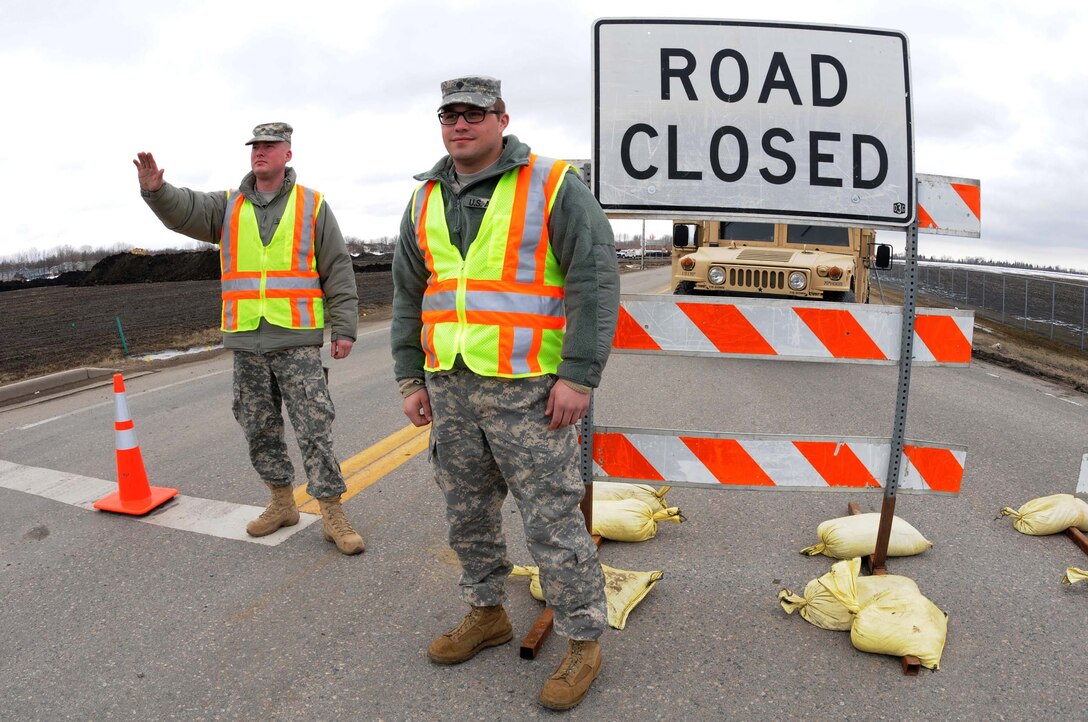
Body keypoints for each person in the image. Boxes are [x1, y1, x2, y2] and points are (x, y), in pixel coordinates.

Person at [391, 76, 620, 710]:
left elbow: (594, 281)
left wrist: (578, 375)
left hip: (529, 392)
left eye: (473, 114)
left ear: (501, 118)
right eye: (449, 114)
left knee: (551, 519)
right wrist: (411, 377)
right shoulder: (423, 199)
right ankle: (487, 612)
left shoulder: (552, 184)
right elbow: (410, 296)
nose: (459, 124)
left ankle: (582, 642)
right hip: (452, 388)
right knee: (466, 513)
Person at [133, 122, 364, 555]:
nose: (259, 152)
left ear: (287, 154)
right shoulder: (228, 206)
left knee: (314, 428)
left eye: (269, 146)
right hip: (246, 342)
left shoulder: (312, 205)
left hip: (296, 339)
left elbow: (337, 267)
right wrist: (156, 192)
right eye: (255, 146)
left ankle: (331, 511)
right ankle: (281, 502)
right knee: (259, 428)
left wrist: (344, 328)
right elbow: (184, 208)